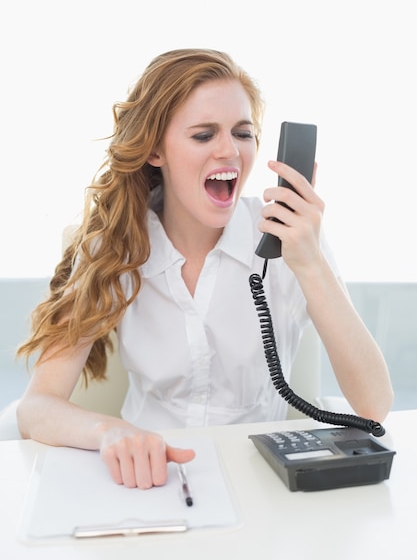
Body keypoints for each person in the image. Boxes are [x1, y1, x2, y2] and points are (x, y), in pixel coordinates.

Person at [16, 48, 393, 489]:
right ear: (155, 150)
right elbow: (35, 407)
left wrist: (310, 264)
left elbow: (373, 407)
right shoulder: (115, 245)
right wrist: (110, 432)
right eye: (203, 135)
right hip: (145, 477)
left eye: (242, 132)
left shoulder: (292, 240)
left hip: (259, 480)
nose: (229, 151)